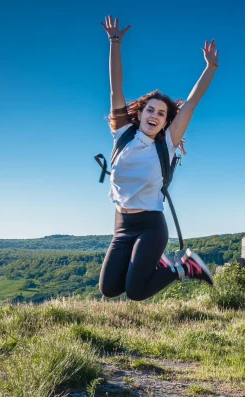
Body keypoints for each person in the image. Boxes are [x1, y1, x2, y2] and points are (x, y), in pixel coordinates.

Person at [98, 15, 217, 301]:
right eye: (150, 110)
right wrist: (115, 42)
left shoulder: (166, 144)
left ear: (166, 122)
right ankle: (157, 265)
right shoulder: (123, 134)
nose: (155, 116)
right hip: (122, 225)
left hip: (151, 225)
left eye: (161, 114)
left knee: (137, 292)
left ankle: (183, 267)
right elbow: (117, 87)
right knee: (110, 288)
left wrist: (210, 68)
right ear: (139, 114)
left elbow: (190, 104)